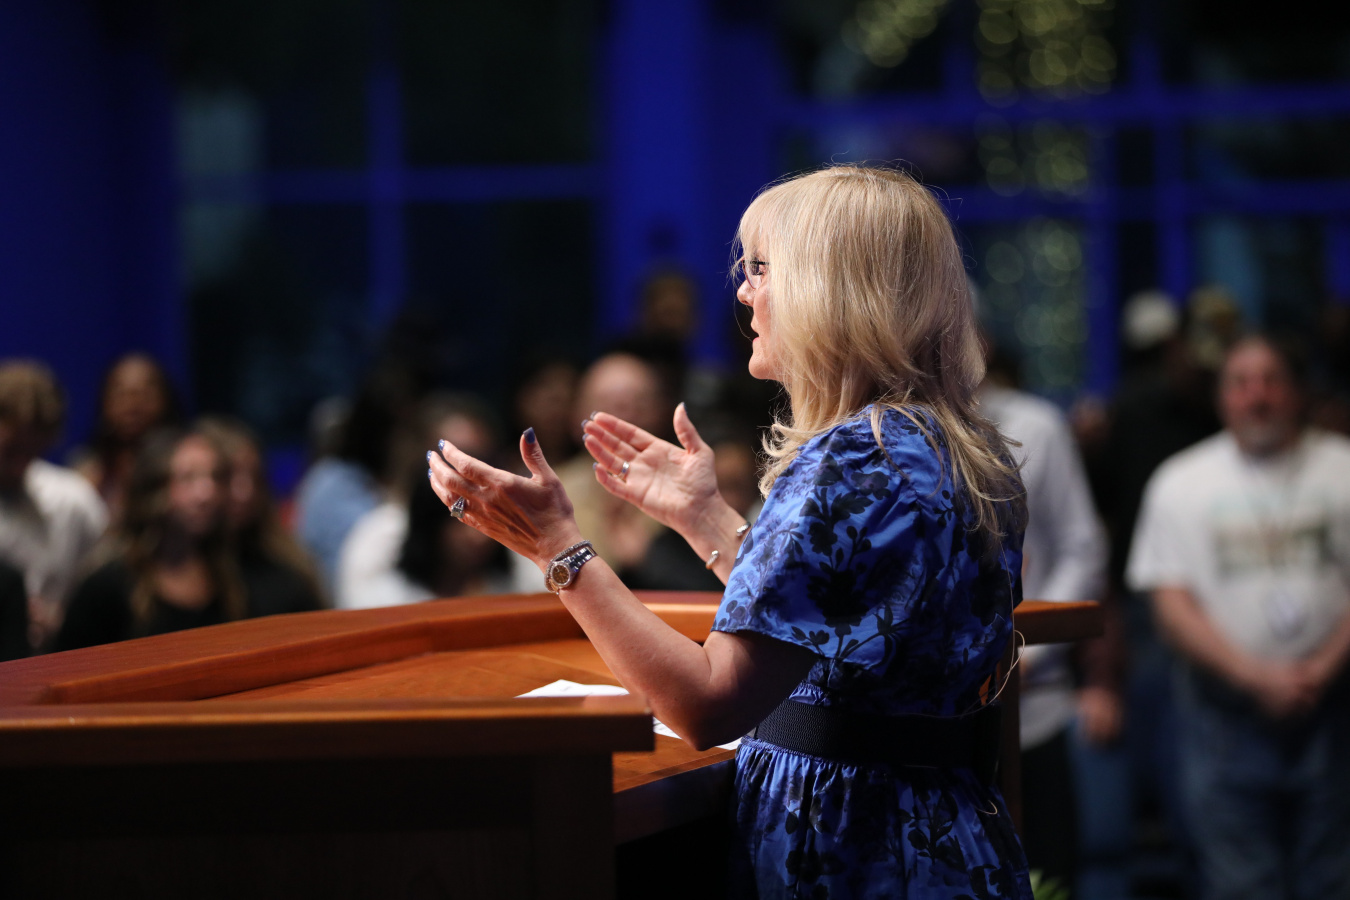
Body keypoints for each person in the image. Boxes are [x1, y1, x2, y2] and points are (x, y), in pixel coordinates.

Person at [427, 166, 1032, 898]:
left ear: (828, 291)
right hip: (942, 840)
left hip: (854, 854)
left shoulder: (850, 460)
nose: (744, 292)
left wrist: (558, 548)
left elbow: (707, 704)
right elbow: (845, 620)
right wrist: (705, 517)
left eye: (762, 269)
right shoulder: (951, 444)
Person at [1127, 335, 1350, 900]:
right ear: (1221, 397)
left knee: (1334, 879)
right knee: (1239, 886)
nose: (1257, 396)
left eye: (1271, 379)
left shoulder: (1341, 467)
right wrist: (1257, 678)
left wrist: (1320, 669)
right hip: (1221, 719)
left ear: (1297, 391)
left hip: (1333, 709)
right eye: (1241, 382)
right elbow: (1170, 607)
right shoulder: (1180, 481)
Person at [979, 375, 1109, 895]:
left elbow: (1083, 550)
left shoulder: (1036, 426)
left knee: (1046, 882)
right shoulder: (874, 431)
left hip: (1034, 704)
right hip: (931, 728)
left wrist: (1023, 659)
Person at [55, 427, 246, 650]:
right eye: (188, 478)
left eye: (215, 477)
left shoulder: (230, 575)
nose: (207, 493)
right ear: (154, 487)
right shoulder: (108, 585)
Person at [0, 361, 108, 649]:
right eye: (11, 451)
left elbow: (107, 587)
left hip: (57, 655)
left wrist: (64, 618)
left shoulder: (72, 499)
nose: (20, 466)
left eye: (32, 452)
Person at [197, 417, 324, 617]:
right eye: (227, 476)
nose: (246, 492)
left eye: (255, 477)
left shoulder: (284, 565)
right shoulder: (187, 573)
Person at [71, 353, 180, 525]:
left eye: (144, 393)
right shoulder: (86, 475)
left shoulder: (183, 467)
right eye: (121, 393)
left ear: (165, 399)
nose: (132, 404)